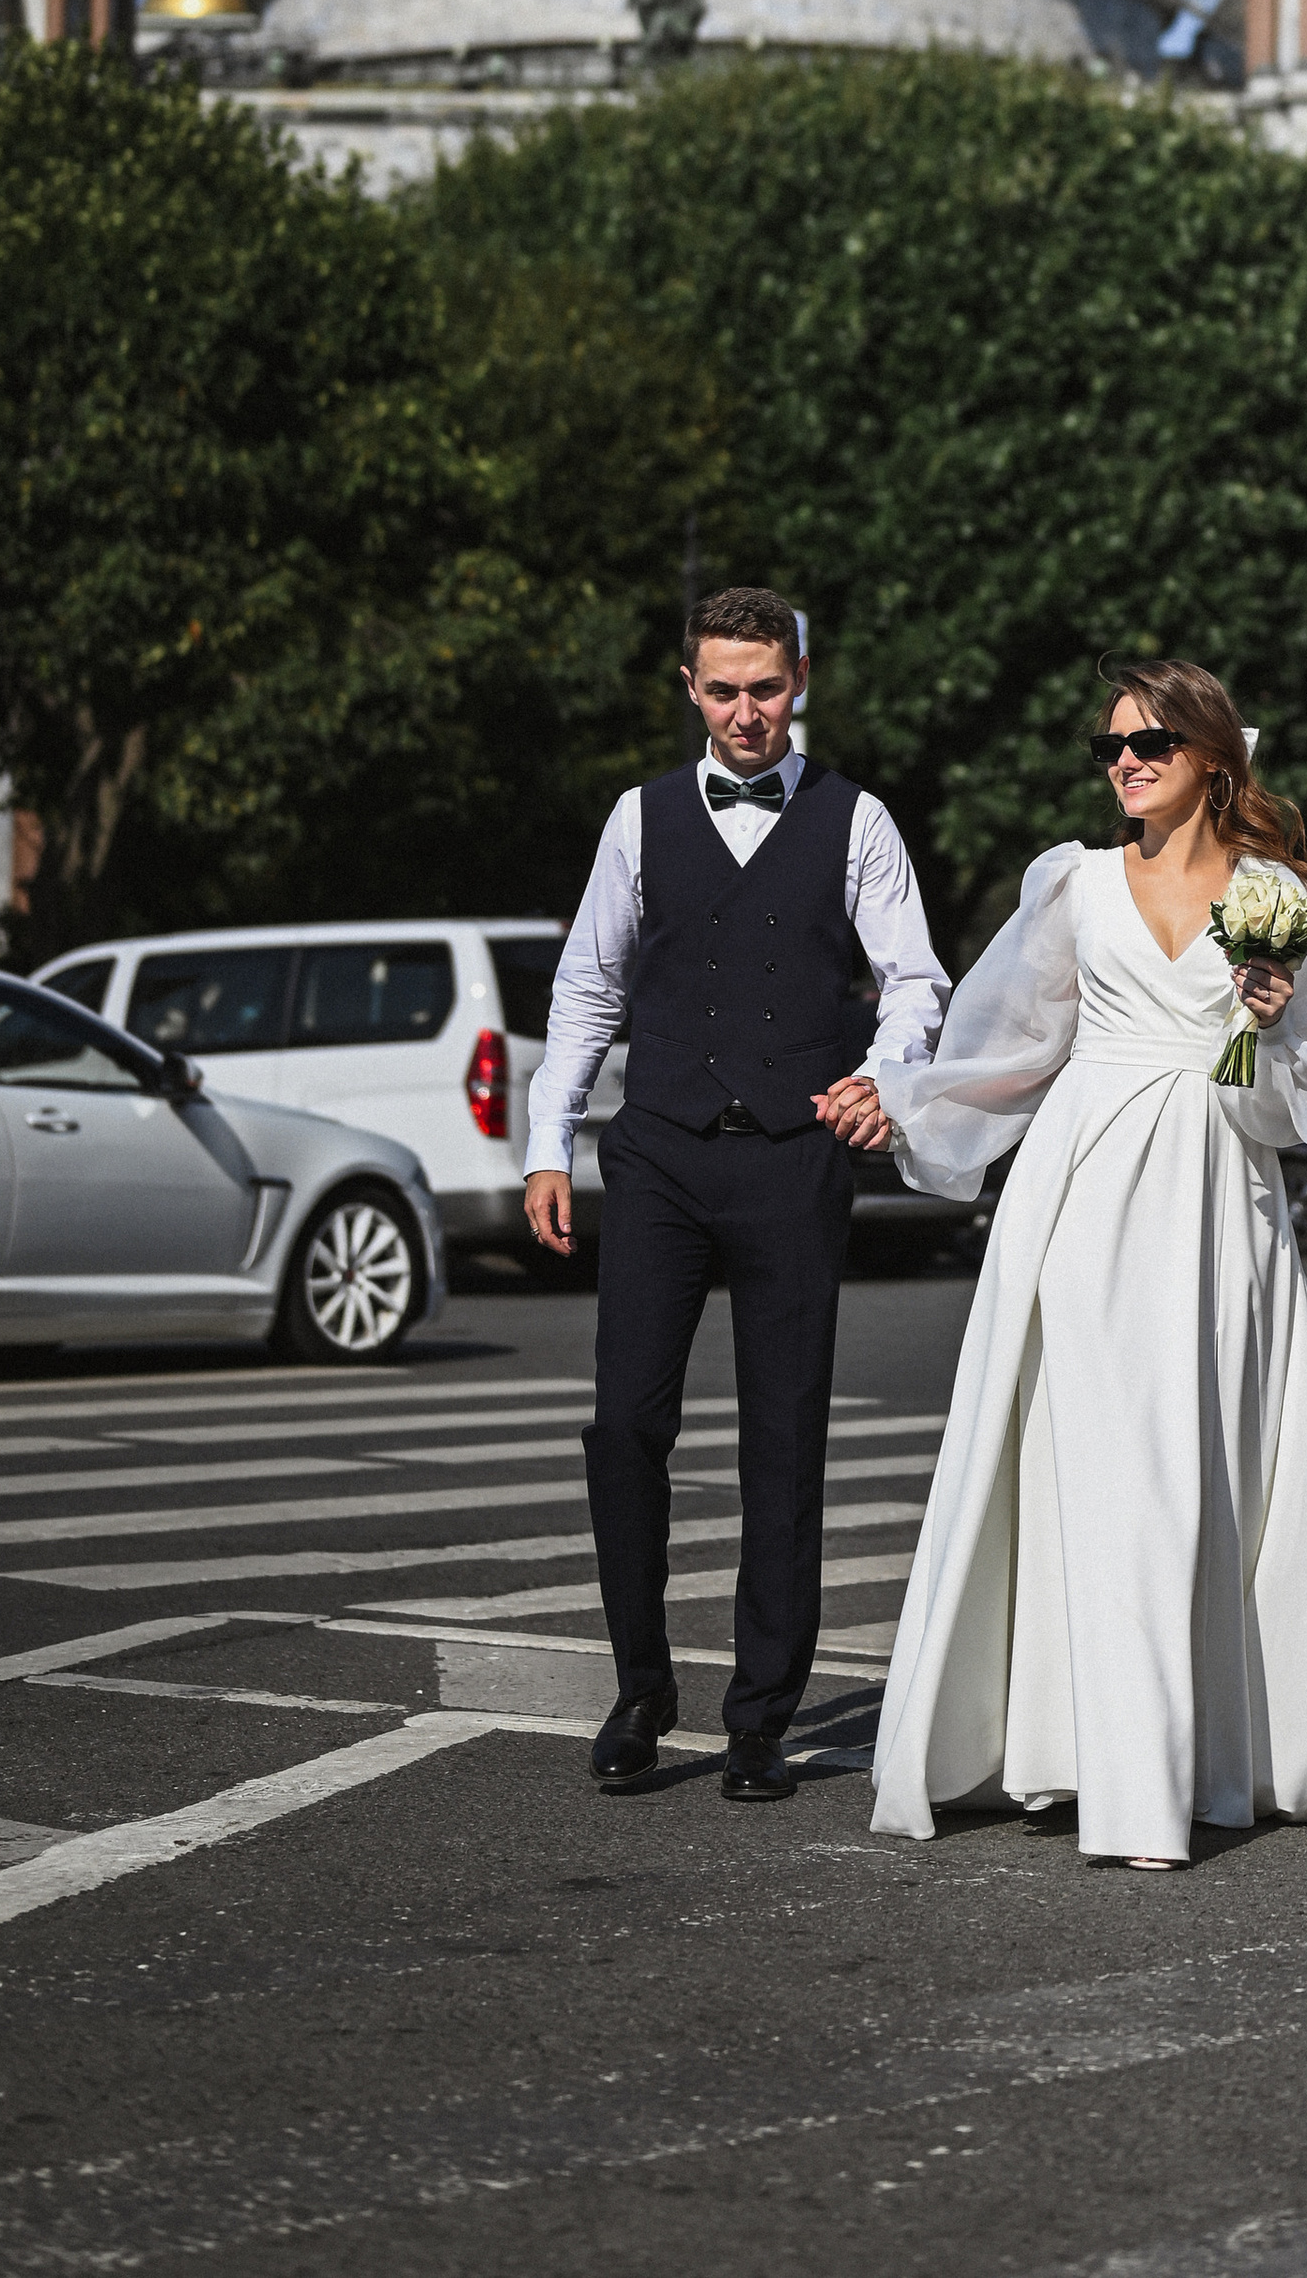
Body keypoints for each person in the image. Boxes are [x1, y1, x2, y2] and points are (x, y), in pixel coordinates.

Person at [828, 657, 1307, 1866]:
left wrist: (1270, 1020)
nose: (1124, 762)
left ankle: (1181, 1755)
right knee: (1093, 1465)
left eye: (1150, 743)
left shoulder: (1276, 895)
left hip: (1215, 1197)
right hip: (1081, 1190)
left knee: (1192, 1464)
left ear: (1214, 758)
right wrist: (898, 1096)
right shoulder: (1071, 884)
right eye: (1111, 745)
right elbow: (1013, 1051)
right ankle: (1086, 1752)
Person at [526, 584, 947, 1800]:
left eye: (765, 687)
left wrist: (882, 1076)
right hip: (656, 1150)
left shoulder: (856, 819)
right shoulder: (638, 817)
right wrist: (548, 1142)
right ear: (689, 690)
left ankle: (761, 1715)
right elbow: (588, 988)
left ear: (799, 680)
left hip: (792, 1153)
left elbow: (914, 981)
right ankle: (640, 1687)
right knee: (626, 1426)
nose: (746, 712)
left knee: (784, 1436)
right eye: (723, 690)